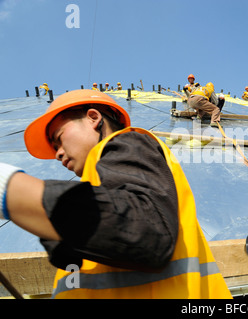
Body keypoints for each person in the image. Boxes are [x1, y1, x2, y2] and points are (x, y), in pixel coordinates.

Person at [0, 90, 231, 299]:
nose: (58, 154)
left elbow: (147, 233)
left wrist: (10, 189)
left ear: (93, 118)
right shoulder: (98, 185)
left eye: (58, 138)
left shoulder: (128, 143)